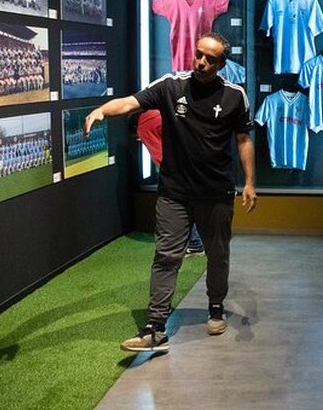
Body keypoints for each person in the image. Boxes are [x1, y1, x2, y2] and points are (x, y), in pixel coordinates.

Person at [84, 31, 257, 353]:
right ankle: (156, 327)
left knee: (217, 254)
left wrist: (249, 182)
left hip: (216, 192)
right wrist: (102, 111)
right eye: (199, 55)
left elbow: (243, 140)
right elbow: (131, 102)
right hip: (174, 191)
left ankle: (216, 306)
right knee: (166, 256)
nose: (201, 63)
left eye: (210, 59)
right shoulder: (170, 86)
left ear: (221, 64)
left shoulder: (235, 96)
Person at [135, 108, 206, 256]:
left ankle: (194, 242)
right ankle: (197, 241)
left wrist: (168, 173)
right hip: (196, 156)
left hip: (177, 170)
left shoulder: (143, 127)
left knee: (179, 205)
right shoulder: (159, 112)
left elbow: (158, 153)